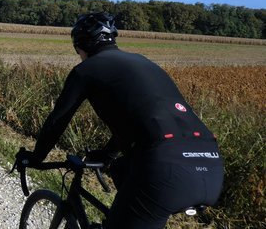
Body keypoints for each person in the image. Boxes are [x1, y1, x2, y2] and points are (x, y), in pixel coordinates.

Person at [16, 12, 224, 229]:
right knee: (120, 169)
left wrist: (35, 157)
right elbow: (142, 118)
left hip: (165, 170)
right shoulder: (143, 62)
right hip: (211, 165)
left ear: (81, 45)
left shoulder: (86, 70)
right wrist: (107, 154)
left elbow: (57, 120)